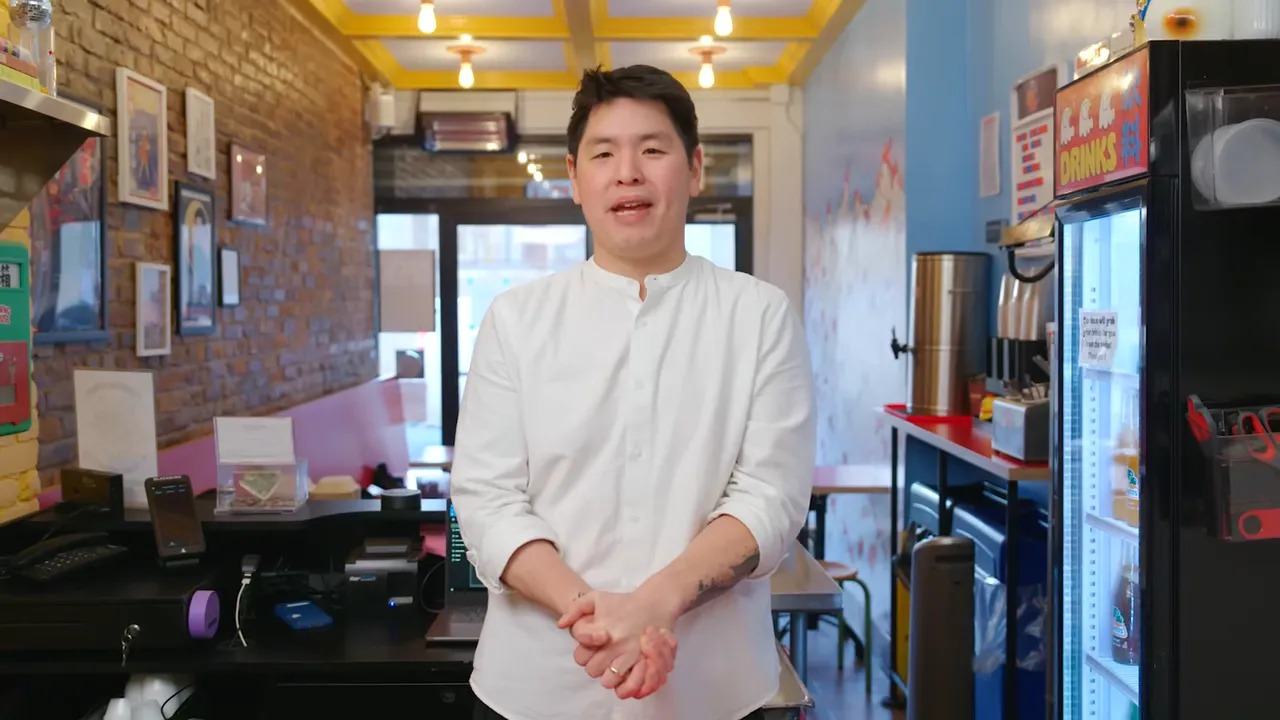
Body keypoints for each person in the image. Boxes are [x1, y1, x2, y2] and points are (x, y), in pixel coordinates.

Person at [450, 64, 816, 720]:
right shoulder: (516, 319)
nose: (628, 173)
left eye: (652, 149)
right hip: (536, 689)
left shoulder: (759, 315)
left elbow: (771, 496)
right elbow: (487, 497)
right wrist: (595, 618)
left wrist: (653, 604)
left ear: (695, 168)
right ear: (574, 178)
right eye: (603, 154)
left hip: (714, 691)